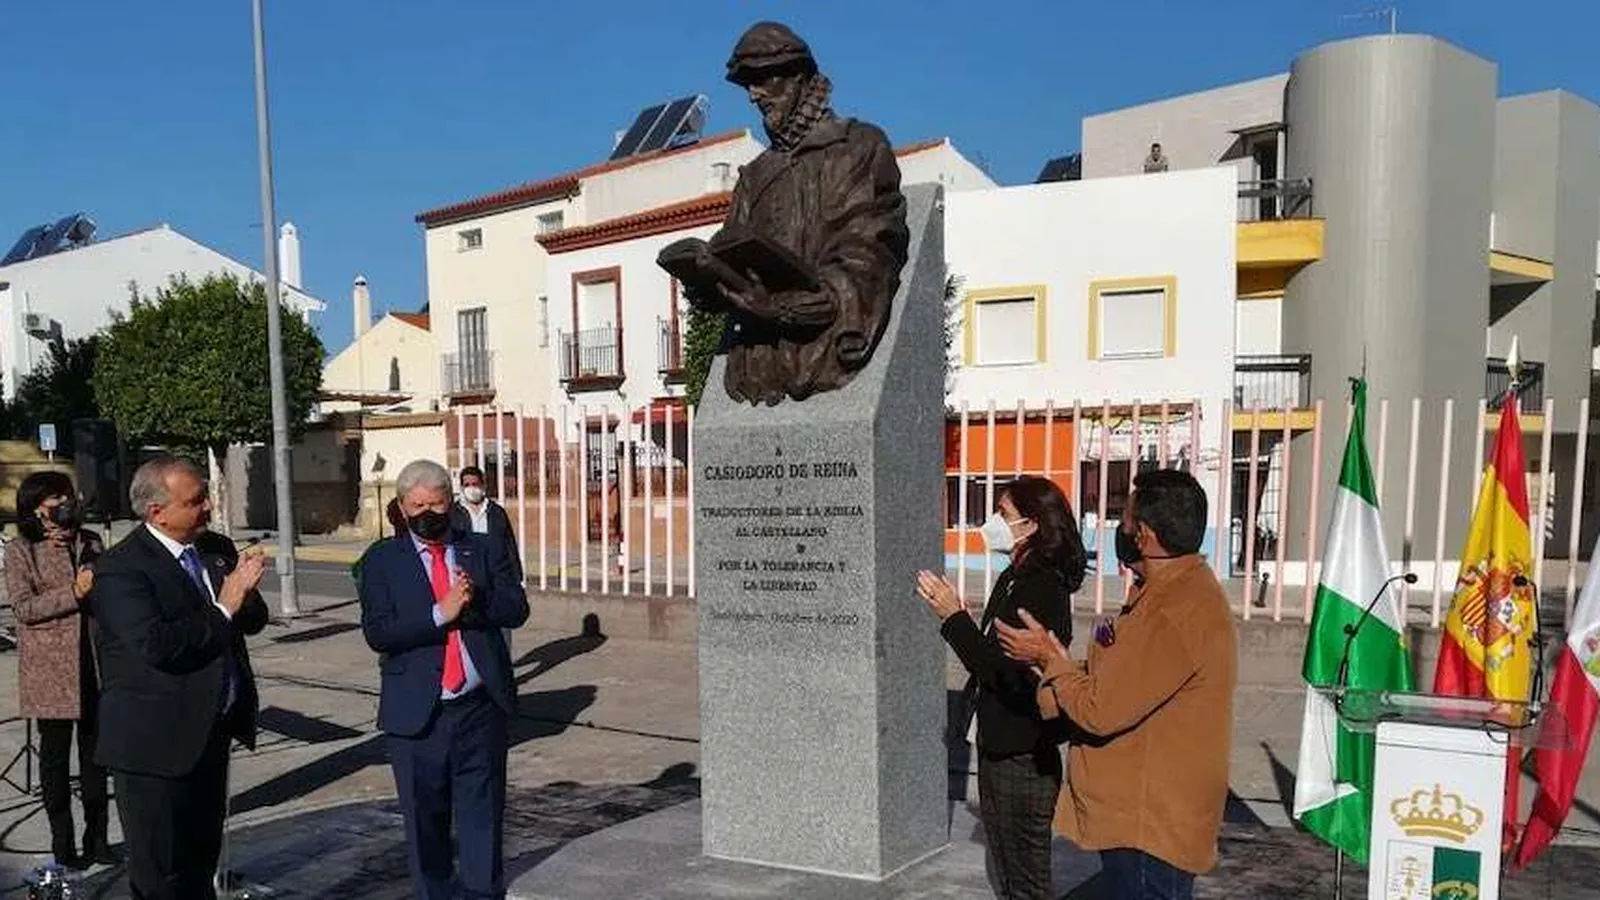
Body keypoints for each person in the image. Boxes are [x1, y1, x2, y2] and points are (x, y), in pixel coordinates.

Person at [997, 469, 1237, 900]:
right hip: (1146, 817)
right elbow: (1126, 678)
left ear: (1144, 535)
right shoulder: (1169, 593)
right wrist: (1062, 666)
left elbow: (1100, 710)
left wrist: (1049, 660)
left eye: (1123, 520)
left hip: (1150, 827)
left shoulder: (1172, 611)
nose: (1119, 531)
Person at [667, 21, 910, 405]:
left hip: (823, 347)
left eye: (763, 79)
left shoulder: (858, 147)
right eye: (748, 84)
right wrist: (707, 278)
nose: (754, 95)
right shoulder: (755, 175)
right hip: (756, 361)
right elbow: (731, 252)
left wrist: (782, 308)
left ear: (799, 77)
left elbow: (867, 257)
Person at [91, 456, 269, 899]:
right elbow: (157, 645)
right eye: (195, 501)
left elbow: (252, 621)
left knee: (200, 865)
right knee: (161, 876)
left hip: (210, 733)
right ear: (158, 512)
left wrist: (244, 593)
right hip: (154, 747)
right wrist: (225, 605)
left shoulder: (214, 548)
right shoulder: (120, 568)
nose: (208, 506)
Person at [359, 459, 529, 900]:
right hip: (418, 714)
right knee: (425, 823)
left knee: (482, 815)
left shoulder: (482, 548)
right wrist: (441, 613)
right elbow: (379, 632)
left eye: (436, 505)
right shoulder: (381, 560)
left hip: (479, 708)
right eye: (417, 507)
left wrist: (477, 599)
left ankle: (482, 893)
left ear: (450, 503)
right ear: (402, 507)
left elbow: (517, 608)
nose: (428, 514)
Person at [917, 476, 1086, 900]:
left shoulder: (1041, 585)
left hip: (1023, 753)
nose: (992, 522)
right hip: (1000, 745)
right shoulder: (1016, 575)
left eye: (1003, 514)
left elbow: (1005, 674)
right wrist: (966, 623)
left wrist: (953, 618)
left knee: (1026, 882)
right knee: (1010, 876)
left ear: (1030, 525)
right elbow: (995, 656)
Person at [6, 471, 116, 869]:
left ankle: (98, 838)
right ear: (37, 507)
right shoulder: (21, 550)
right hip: (50, 669)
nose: (66, 505)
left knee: (96, 759)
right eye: (56, 499)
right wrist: (73, 592)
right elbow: (23, 608)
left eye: (69, 497)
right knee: (54, 760)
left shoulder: (90, 541)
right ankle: (62, 844)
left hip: (93, 663)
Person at [449, 466, 523, 581]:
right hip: (467, 570)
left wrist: (516, 575)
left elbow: (509, 544)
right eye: (467, 485)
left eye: (475, 484)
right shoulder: (453, 513)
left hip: (495, 570)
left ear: (483, 485)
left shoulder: (497, 512)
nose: (471, 488)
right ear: (461, 487)